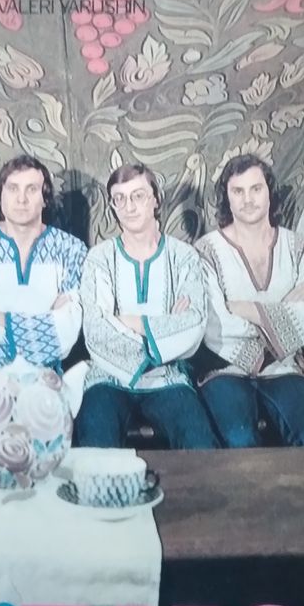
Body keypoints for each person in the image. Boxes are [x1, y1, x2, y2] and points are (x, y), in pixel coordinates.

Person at [75, 163, 217, 449]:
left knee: (200, 443)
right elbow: (96, 329)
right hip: (108, 377)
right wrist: (164, 329)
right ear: (113, 206)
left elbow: (193, 323)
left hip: (168, 378)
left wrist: (128, 321)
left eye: (138, 196)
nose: (129, 207)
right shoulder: (100, 258)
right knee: (95, 445)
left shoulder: (184, 256)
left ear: (156, 199)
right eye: (120, 199)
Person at [196, 154, 304, 447]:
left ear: (270, 192)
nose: (248, 199)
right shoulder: (206, 251)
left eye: (256, 189)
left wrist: (249, 310)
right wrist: (283, 309)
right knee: (239, 438)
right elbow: (216, 327)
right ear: (227, 198)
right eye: (238, 191)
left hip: (285, 368)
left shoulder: (301, 249)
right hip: (225, 369)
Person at [0, 155, 86, 374]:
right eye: (13, 188)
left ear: (45, 199)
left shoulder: (71, 249)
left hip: (47, 379)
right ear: (1, 196)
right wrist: (47, 318)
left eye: (32, 189)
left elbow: (67, 333)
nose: (21, 199)